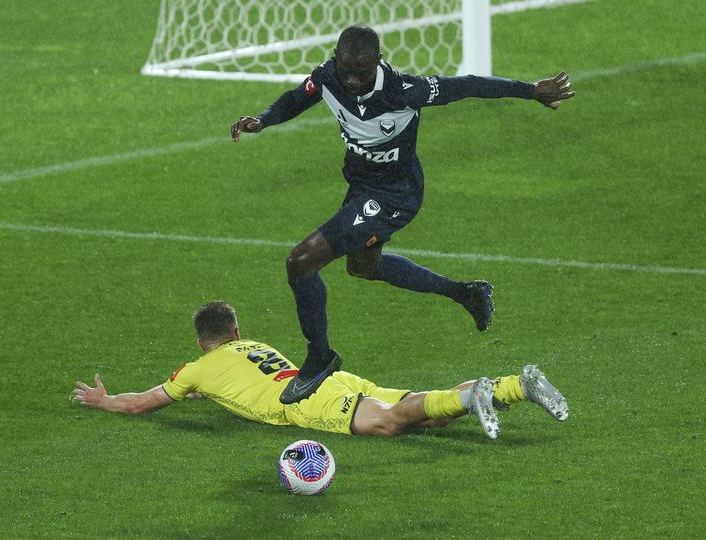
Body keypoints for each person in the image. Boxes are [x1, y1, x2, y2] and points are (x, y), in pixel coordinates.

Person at [231, 25, 576, 404]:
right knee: (363, 267)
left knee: (300, 262)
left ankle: (319, 356)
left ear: (378, 61)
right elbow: (297, 98)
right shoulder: (327, 76)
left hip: (395, 194)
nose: (352, 80)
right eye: (346, 69)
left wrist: (529, 91)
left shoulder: (404, 90)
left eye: (361, 71)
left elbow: (469, 85)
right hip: (361, 188)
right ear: (336, 58)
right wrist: (263, 119)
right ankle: (466, 293)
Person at [72, 301, 569, 439]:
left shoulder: (196, 369)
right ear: (237, 329)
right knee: (428, 415)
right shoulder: (255, 346)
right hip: (330, 380)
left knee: (392, 423)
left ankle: (473, 395)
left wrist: (102, 399)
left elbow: (141, 403)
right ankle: (516, 385)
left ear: (201, 343)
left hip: (308, 404)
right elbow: (236, 385)